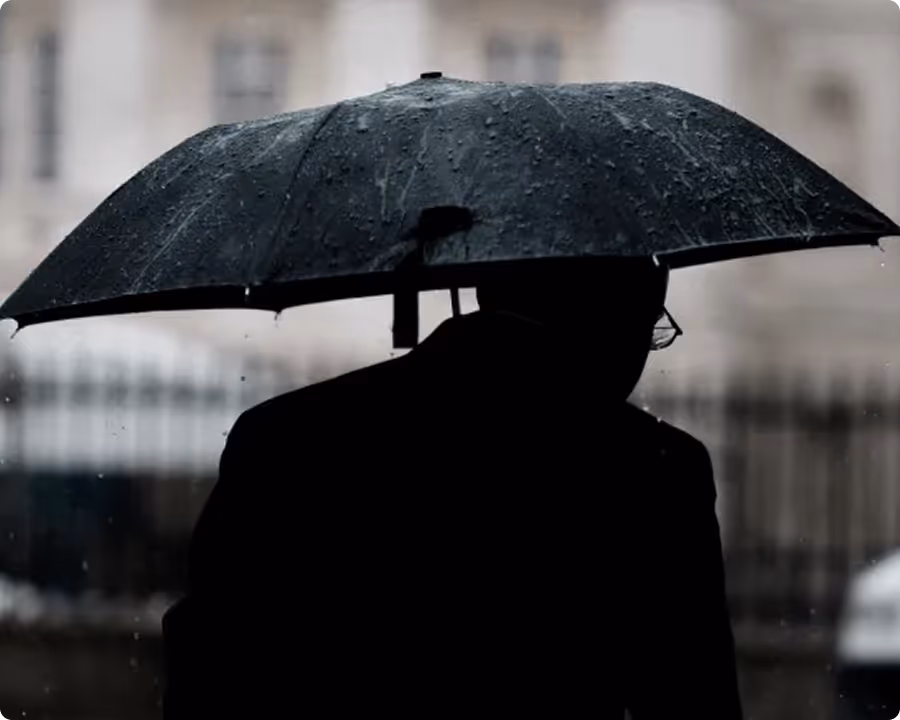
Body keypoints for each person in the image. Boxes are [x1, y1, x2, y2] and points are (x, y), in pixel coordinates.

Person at [162, 258, 743, 719]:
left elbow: (209, 674)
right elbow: (693, 699)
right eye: (652, 327)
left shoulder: (286, 437)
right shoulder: (653, 468)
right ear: (616, 316)